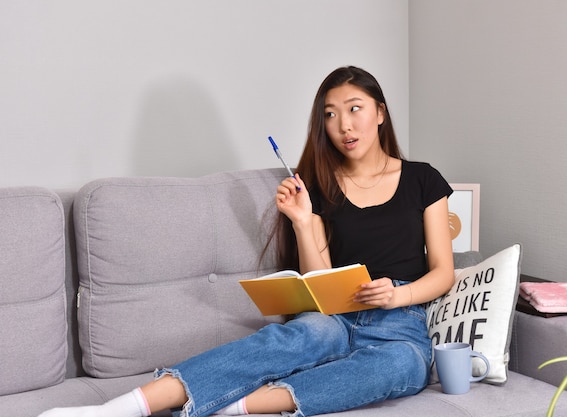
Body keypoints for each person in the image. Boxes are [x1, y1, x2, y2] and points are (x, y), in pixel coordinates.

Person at [38, 66, 455, 417]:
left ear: (380, 113)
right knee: (298, 337)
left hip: (400, 322)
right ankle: (122, 407)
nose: (344, 125)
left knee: (402, 366)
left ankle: (237, 407)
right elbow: (320, 278)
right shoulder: (321, 185)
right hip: (337, 312)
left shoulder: (422, 179)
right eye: (330, 114)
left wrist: (397, 298)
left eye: (355, 109)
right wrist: (302, 221)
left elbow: (443, 271)